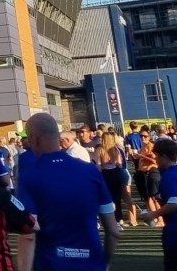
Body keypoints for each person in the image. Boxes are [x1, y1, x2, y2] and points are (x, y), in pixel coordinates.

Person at [16, 111, 120, 271]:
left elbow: (28, 235)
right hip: (92, 264)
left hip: (51, 264)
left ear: (33, 139)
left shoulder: (29, 175)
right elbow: (113, 231)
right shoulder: (90, 170)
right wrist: (103, 263)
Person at [138, 135, 177, 267]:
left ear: (163, 156)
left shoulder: (169, 176)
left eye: (156, 156)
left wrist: (153, 214)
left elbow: (174, 203)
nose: (155, 159)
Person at [93, 129, 127, 227]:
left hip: (105, 174)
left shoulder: (100, 149)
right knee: (117, 197)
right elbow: (120, 164)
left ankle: (109, 218)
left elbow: (98, 165)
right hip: (116, 173)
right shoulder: (116, 149)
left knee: (107, 197)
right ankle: (119, 218)